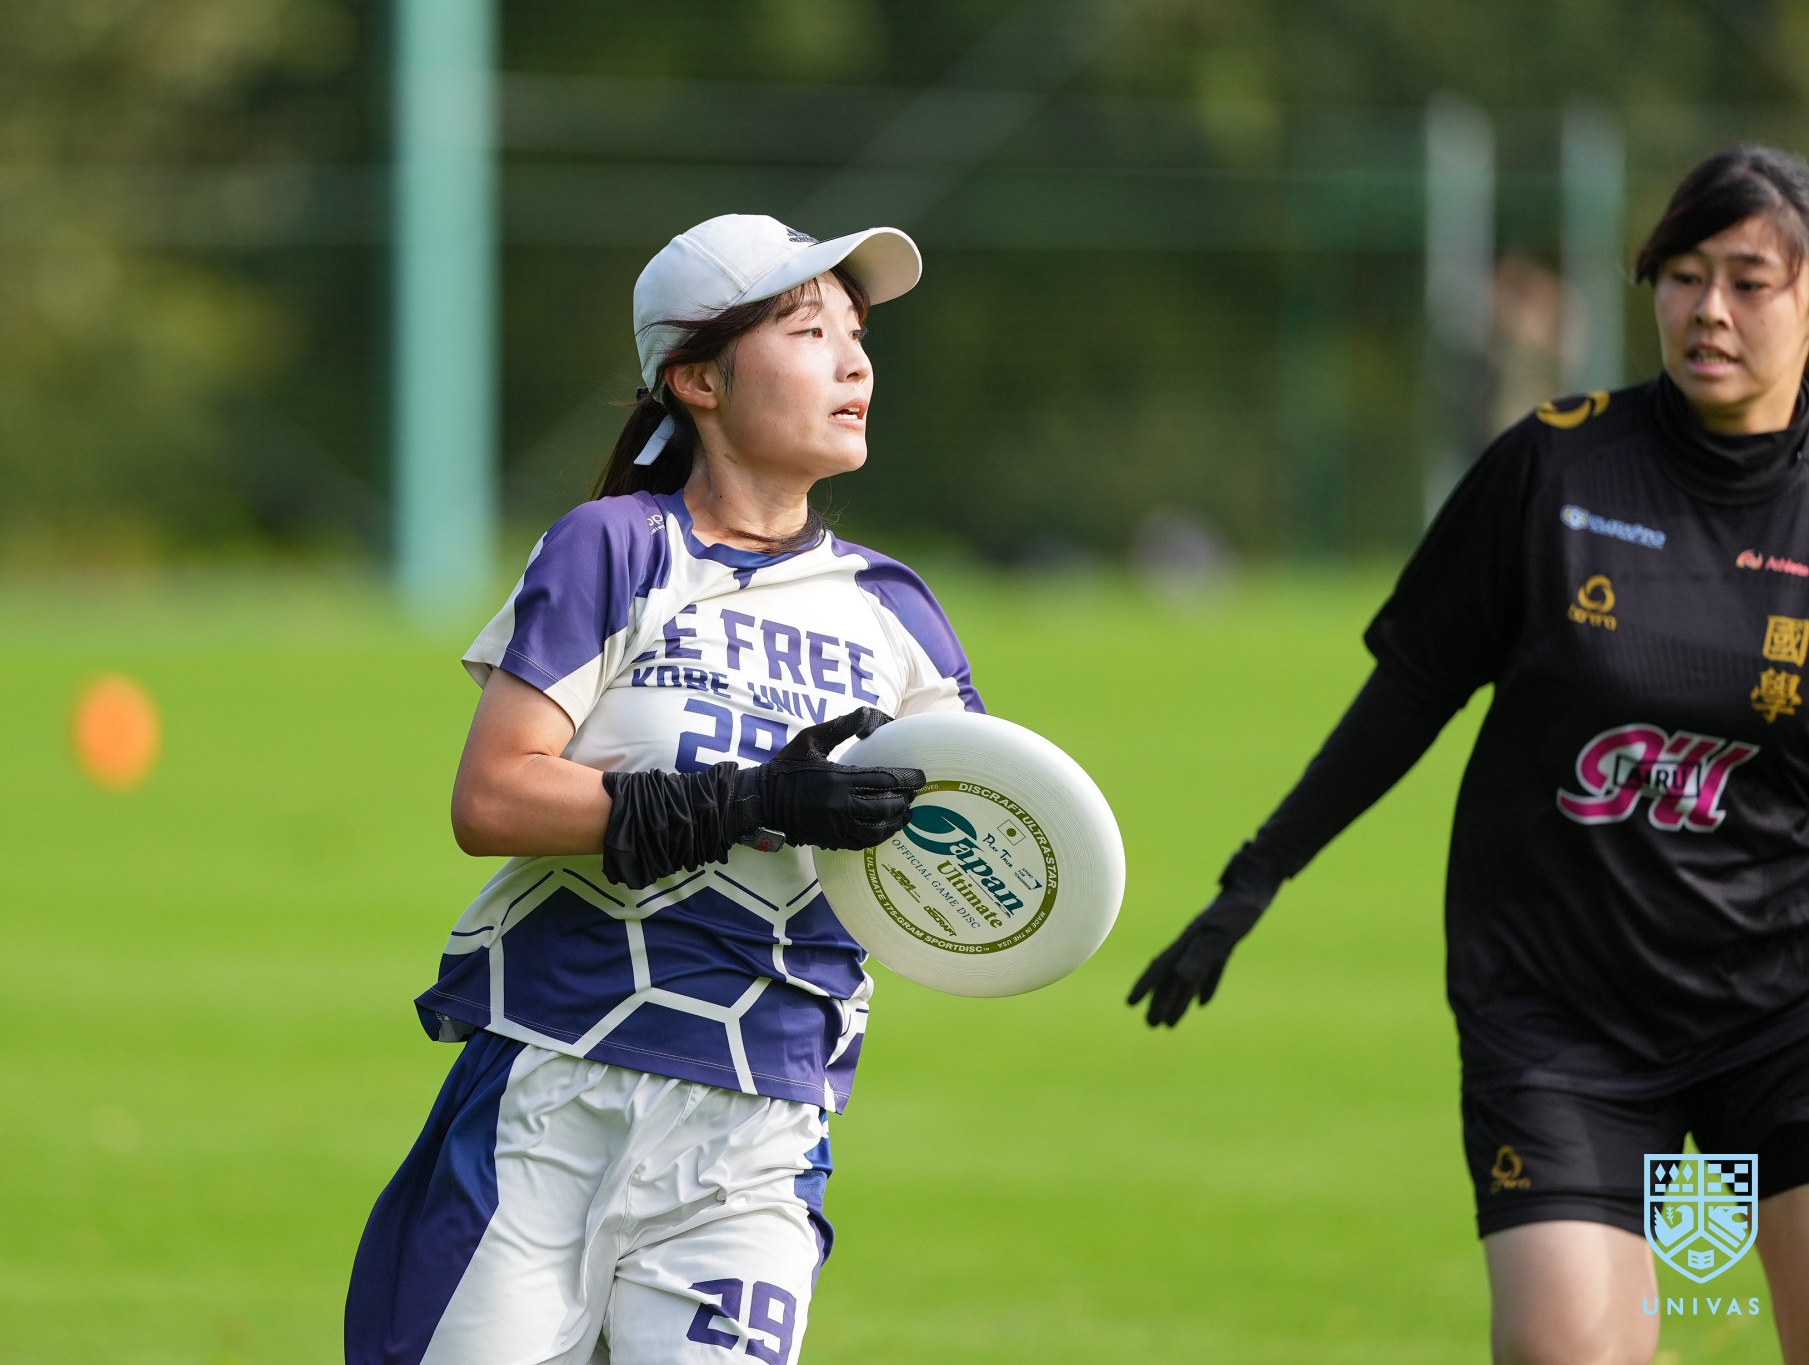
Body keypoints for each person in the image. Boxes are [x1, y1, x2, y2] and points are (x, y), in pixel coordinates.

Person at [1128, 144, 1809, 1365]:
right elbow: (1413, 691)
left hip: (1782, 1009)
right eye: (1683, 275)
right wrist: (1257, 872)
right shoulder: (1557, 466)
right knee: (1564, 1351)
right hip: (1561, 1013)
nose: (1709, 309)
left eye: (1750, 282)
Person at [346, 214, 981, 1365]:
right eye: (810, 332)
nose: (854, 363)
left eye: (857, 333)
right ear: (698, 378)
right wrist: (752, 802)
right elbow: (492, 799)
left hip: (758, 1138)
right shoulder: (614, 548)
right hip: (555, 1093)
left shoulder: (896, 614)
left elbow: (972, 841)